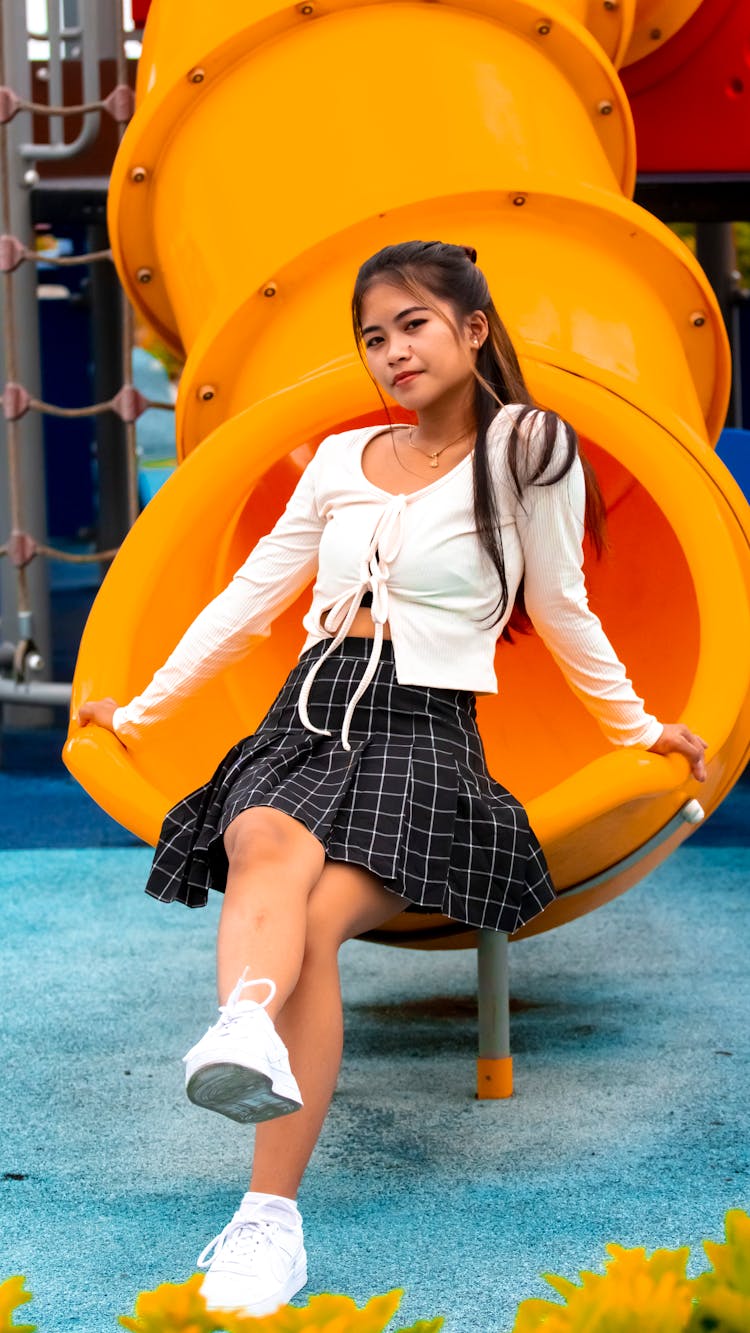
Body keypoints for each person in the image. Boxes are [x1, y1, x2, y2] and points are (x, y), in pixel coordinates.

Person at [78, 240, 707, 1318]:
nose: (391, 351)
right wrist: (139, 708)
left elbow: (564, 610)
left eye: (413, 323)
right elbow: (246, 600)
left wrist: (643, 727)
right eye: (373, 336)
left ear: (471, 328)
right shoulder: (337, 463)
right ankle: (246, 1041)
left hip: (425, 730)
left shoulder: (528, 446)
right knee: (260, 835)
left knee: (316, 915)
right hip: (311, 706)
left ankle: (265, 1199)